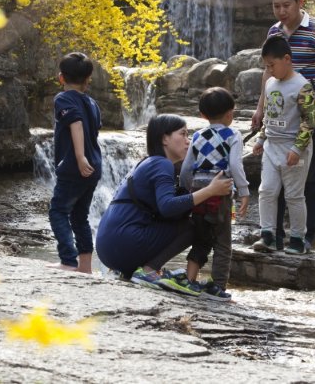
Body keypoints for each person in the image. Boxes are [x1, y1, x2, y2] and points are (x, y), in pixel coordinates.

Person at [251, 0, 315, 249]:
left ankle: (304, 237)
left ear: (300, 2)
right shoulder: (274, 32)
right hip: (279, 118)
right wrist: (260, 108)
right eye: (276, 7)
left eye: (286, 6)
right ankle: (273, 235)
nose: (281, 12)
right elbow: (268, 72)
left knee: (311, 178)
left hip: (311, 116)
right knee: (274, 179)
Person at [95, 114, 234, 291]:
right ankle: (148, 270)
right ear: (164, 139)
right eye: (183, 134)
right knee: (193, 226)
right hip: (124, 242)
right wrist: (210, 191)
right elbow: (168, 207)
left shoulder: (147, 162)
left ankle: (134, 271)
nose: (188, 140)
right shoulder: (162, 164)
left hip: (107, 250)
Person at [171, 87, 250, 302]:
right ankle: (217, 286)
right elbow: (234, 164)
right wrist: (244, 191)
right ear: (230, 114)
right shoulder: (233, 134)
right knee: (223, 242)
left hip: (199, 192)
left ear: (203, 115)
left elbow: (186, 168)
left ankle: (190, 279)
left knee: (202, 236)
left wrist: (189, 191)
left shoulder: (197, 135)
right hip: (221, 192)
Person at [251, 36, 315, 254]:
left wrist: (297, 149)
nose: (269, 70)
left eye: (272, 65)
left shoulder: (303, 86)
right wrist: (261, 138)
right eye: (266, 66)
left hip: (294, 148)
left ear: (286, 59)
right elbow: (269, 115)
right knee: (267, 190)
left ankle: (298, 239)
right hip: (272, 145)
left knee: (294, 195)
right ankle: (267, 234)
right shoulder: (270, 83)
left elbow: (309, 121)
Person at [49, 52, 102, 273]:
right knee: (80, 216)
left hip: (74, 166)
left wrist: (79, 158)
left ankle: (68, 261)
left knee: (58, 211)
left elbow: (76, 124)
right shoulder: (92, 103)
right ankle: (86, 266)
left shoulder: (63, 99)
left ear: (61, 78)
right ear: (88, 78)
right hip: (94, 166)